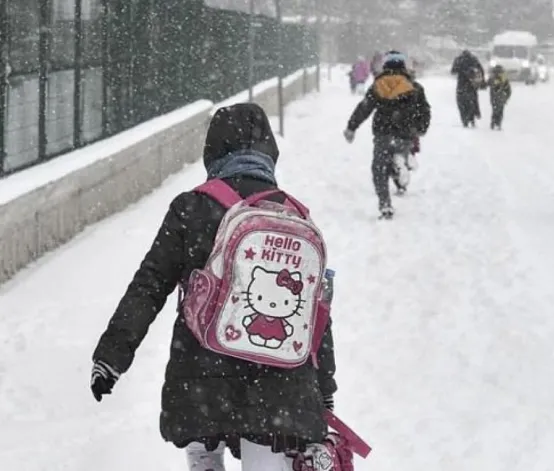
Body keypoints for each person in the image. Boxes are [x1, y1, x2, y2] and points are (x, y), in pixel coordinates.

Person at [89, 103, 338, 470]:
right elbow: (314, 314)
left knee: (204, 446)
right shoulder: (294, 216)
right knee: (268, 455)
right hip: (279, 387)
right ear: (269, 152)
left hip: (201, 377)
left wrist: (111, 355)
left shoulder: (191, 208)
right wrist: (324, 390)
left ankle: (205, 457)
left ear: (213, 151)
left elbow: (150, 284)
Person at [343, 50, 432, 219]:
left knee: (379, 169)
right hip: (405, 134)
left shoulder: (378, 85)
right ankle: (402, 164)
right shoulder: (415, 87)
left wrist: (351, 127)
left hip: (383, 133)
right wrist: (421, 128)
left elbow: (364, 108)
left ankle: (385, 205)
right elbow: (424, 111)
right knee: (400, 153)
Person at [451, 49, 485, 127]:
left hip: (461, 85)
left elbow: (453, 71)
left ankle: (465, 119)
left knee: (461, 103)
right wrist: (482, 81)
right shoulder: (474, 59)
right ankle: (472, 117)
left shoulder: (459, 60)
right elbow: (481, 70)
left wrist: (461, 70)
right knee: (472, 101)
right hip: (471, 85)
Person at [487, 65, 512, 130]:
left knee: (495, 110)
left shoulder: (492, 78)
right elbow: (508, 89)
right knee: (500, 110)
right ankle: (498, 123)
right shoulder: (504, 78)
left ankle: (494, 122)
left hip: (494, 97)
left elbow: (486, 84)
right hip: (501, 97)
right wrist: (507, 97)